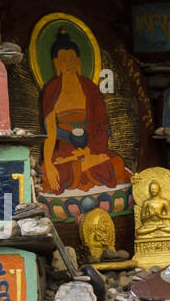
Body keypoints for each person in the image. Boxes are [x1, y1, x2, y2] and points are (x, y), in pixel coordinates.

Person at [40, 29, 130, 192]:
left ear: (78, 61)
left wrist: (89, 152)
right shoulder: (51, 90)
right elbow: (51, 134)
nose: (68, 64)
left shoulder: (90, 89)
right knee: (47, 174)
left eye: (72, 59)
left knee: (116, 164)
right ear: (56, 63)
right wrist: (49, 164)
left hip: (91, 149)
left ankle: (83, 166)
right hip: (65, 154)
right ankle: (80, 167)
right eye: (63, 60)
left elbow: (101, 127)